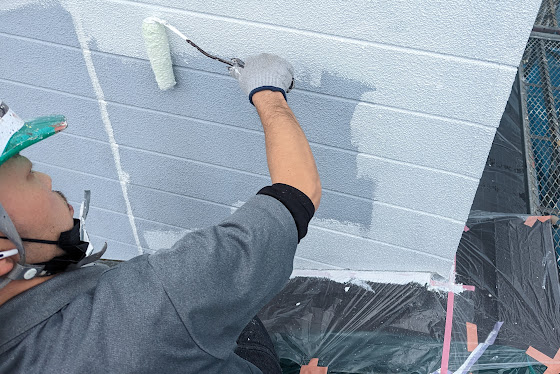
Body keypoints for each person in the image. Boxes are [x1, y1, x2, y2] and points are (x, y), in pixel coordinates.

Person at [0, 54, 321, 374]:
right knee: (239, 318)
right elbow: (298, 193)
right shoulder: (158, 303)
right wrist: (267, 91)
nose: (46, 180)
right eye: (28, 175)